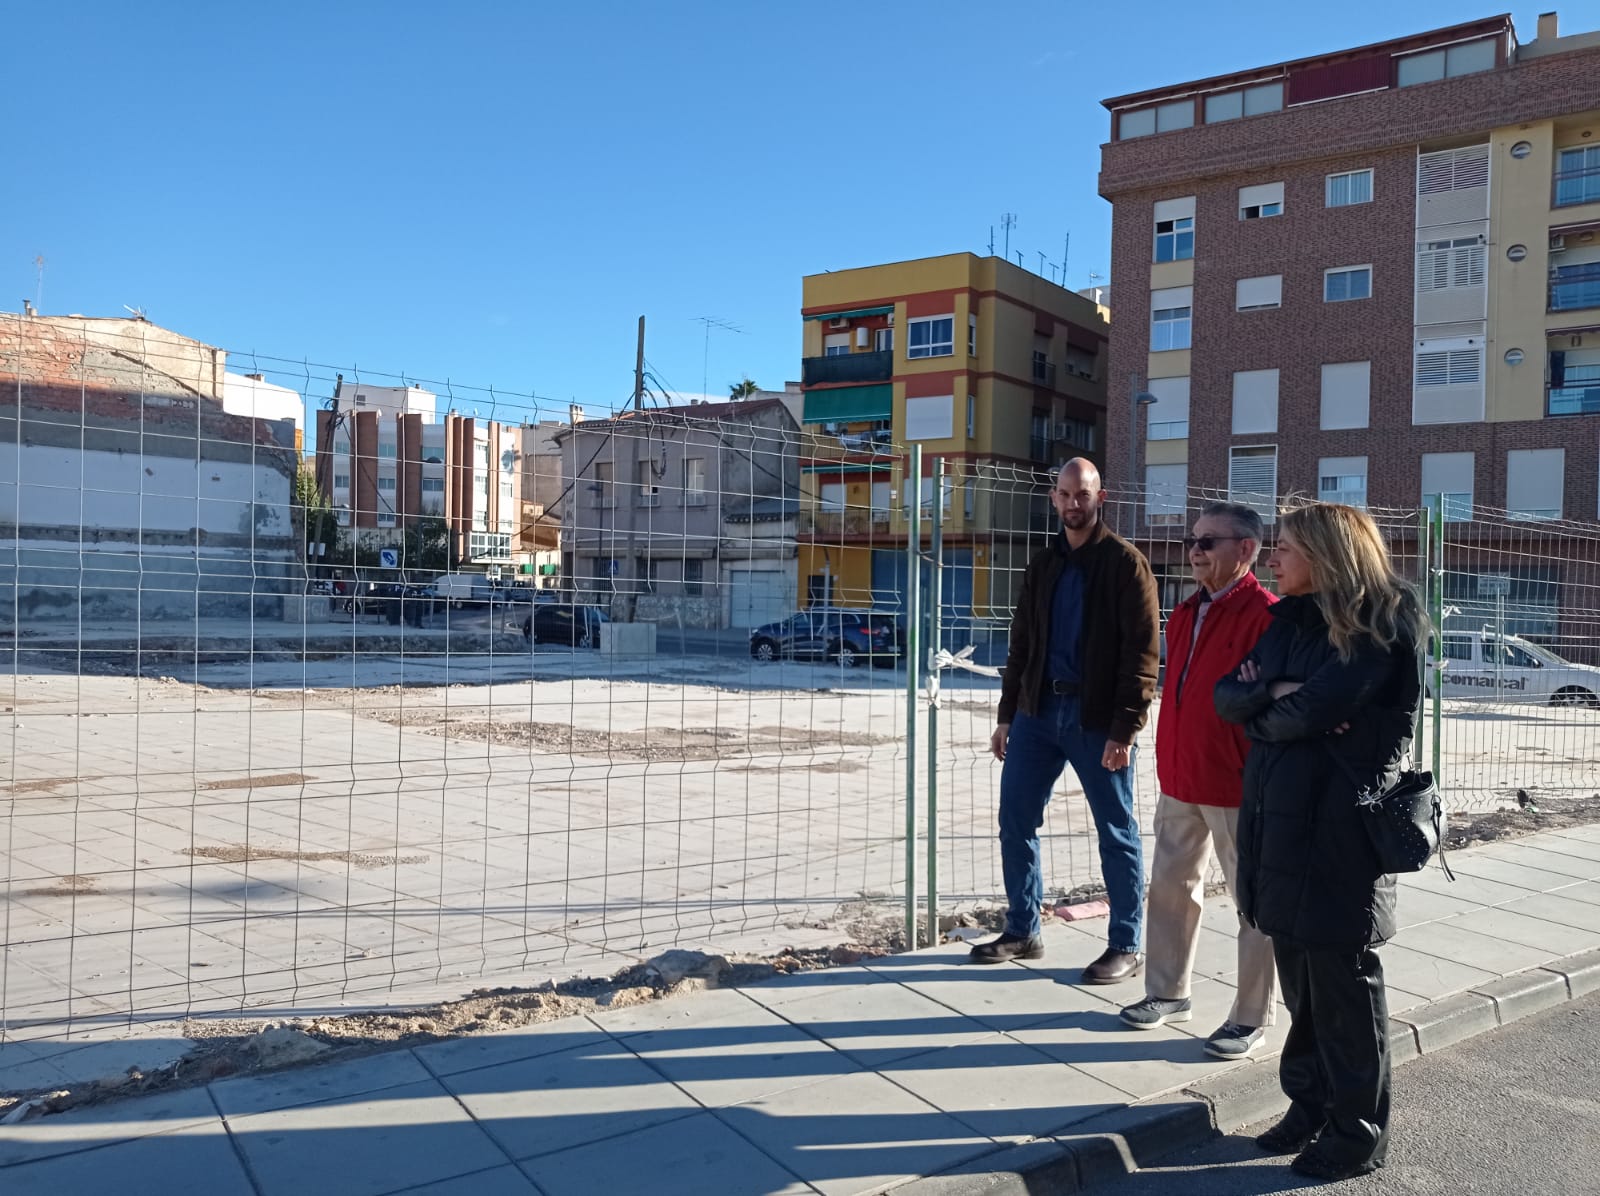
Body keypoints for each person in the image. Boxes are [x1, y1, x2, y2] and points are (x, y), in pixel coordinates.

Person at [1214, 502, 1426, 1181]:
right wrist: (1278, 692)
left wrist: (1272, 705)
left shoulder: (1380, 625)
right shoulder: (1287, 621)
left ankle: (1357, 1133)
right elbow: (1227, 698)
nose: (1273, 559)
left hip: (1340, 834)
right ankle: (1310, 1107)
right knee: (1300, 981)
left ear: (1328, 553)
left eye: (1284, 548)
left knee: (1344, 990)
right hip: (1278, 824)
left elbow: (1319, 708)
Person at [972, 458, 1161, 984]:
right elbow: (1022, 646)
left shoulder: (1127, 564)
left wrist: (1125, 729)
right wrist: (1007, 716)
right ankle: (1022, 929)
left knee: (1116, 831)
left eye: (1084, 494)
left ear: (1102, 497)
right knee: (1015, 823)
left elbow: (1143, 655)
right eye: (1065, 494)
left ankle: (1126, 943)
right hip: (1037, 715)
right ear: (1053, 499)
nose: (1074, 504)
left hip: (1097, 719)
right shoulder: (1043, 565)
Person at [1119, 502, 1279, 1060]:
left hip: (1238, 784)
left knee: (1253, 903)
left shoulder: (1267, 616)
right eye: (1193, 539)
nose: (1195, 550)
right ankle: (1167, 992)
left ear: (1247, 550)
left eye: (1209, 541)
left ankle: (1251, 1015)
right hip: (1182, 776)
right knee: (1169, 888)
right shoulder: (1184, 613)